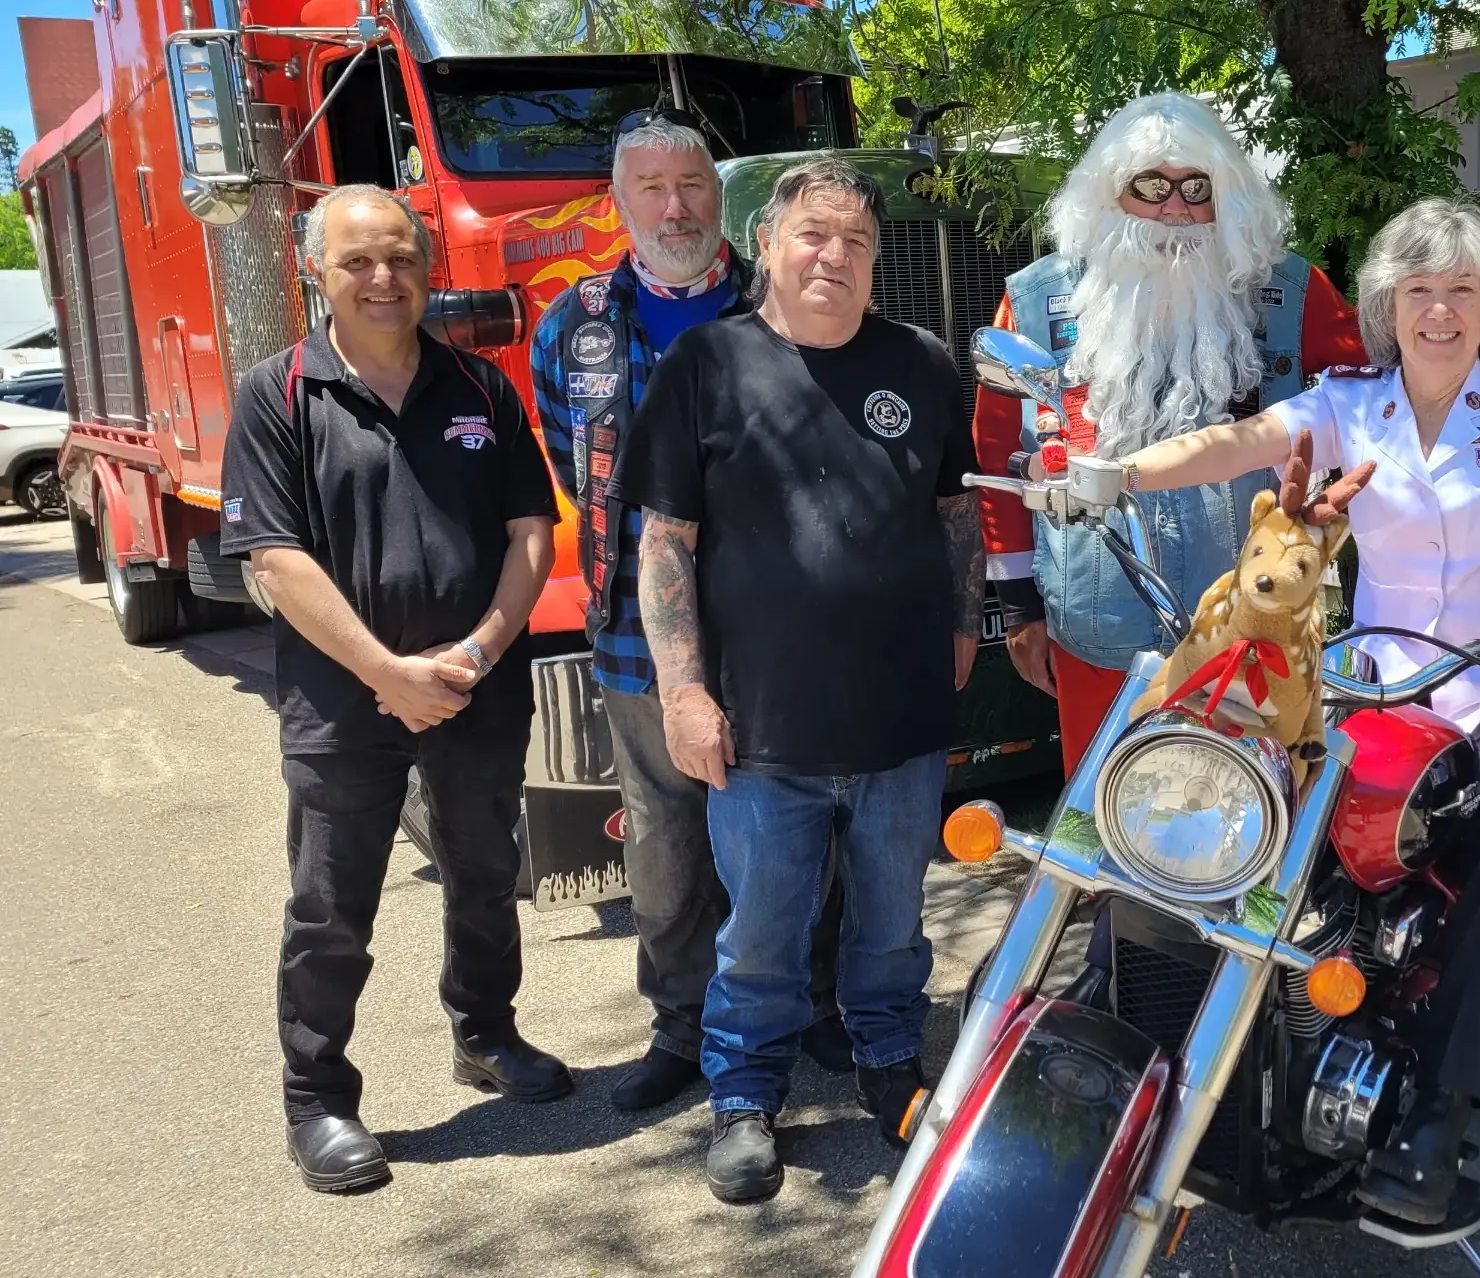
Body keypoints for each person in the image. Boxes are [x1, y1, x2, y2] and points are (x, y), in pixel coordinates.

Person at [1114, 198, 1480, 1224]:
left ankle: (1439, 1101)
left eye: (1460, 291)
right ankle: (1171, 1019)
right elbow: (1236, 441)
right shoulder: (1351, 399)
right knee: (1224, 771)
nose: (1438, 312)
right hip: (1366, 677)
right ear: (1387, 305)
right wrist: (1114, 474)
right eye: (1418, 291)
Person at [616, 156, 984, 1204]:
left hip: (902, 721)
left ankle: (888, 1063)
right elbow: (667, 545)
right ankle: (744, 1096)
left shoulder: (919, 362)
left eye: (856, 242)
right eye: (813, 235)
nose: (835, 255)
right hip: (762, 729)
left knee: (891, 921)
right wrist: (684, 691)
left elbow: (956, 513)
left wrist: (963, 622)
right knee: (763, 932)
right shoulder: (706, 364)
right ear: (767, 245)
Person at [219, 185, 569, 1194]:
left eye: (402, 260)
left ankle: (486, 1033)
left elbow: (531, 533)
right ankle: (317, 1096)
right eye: (358, 262)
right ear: (314, 273)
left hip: (475, 689)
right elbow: (276, 561)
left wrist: (479, 653)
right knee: (332, 906)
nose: (384, 279)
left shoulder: (480, 387)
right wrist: (389, 675)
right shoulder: (278, 393)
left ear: (428, 269)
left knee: (484, 874)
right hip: (343, 705)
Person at [974, 92, 1364, 774]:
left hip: (1251, 627)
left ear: (1228, 197)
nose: (1175, 207)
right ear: (1110, 195)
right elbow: (994, 451)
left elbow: (1370, 417)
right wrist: (1016, 608)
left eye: (1196, 187)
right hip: (1095, 627)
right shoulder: (1035, 302)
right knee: (1098, 829)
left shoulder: (1295, 294)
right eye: (1150, 186)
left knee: (1249, 823)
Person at [529, 113, 779, 1114]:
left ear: (720, 197)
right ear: (619, 201)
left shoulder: (780, 303)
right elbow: (571, 465)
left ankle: (812, 1010)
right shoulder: (574, 325)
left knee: (794, 830)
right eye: (652, 188)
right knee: (667, 846)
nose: (675, 206)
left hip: (783, 629)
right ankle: (680, 1024)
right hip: (637, 635)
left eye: (693, 185)